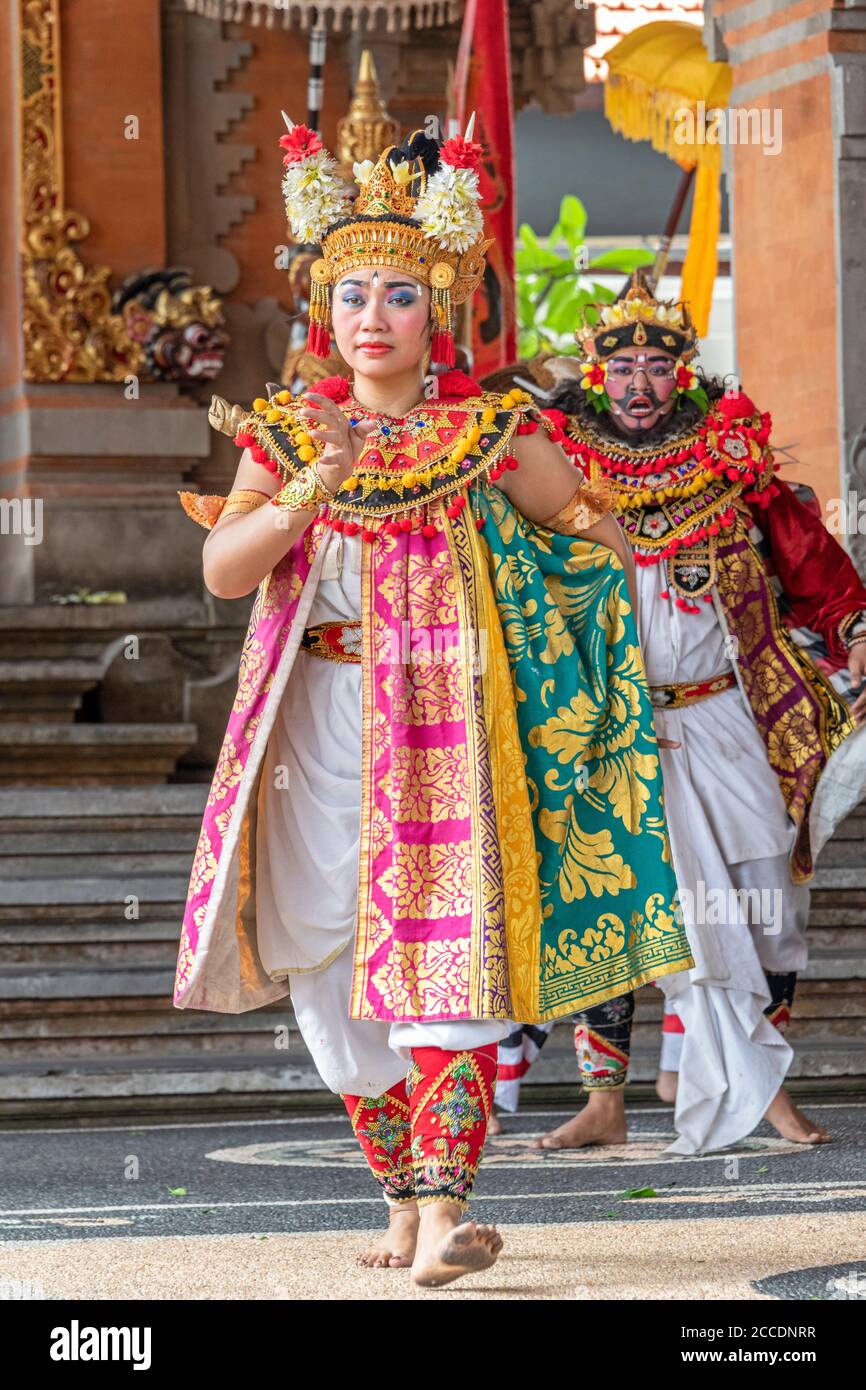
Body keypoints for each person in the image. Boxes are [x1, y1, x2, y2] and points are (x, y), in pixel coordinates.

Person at [173, 127, 692, 1286]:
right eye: (351, 293)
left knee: (446, 959)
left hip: (445, 730)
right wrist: (319, 474)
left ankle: (442, 1214)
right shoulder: (286, 432)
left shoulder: (489, 432)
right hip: (313, 726)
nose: (374, 315)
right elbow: (226, 571)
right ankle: (403, 1200)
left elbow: (581, 528)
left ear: (435, 308)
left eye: (399, 294)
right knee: (320, 965)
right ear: (325, 309)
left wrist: (625, 611)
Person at [496, 274, 866, 1154]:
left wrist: (858, 635)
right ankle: (606, 1102)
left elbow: (820, 578)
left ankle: (760, 1074)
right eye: (619, 366)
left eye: (655, 368)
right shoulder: (555, 467)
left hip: (733, 719)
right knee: (614, 907)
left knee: (771, 906)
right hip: (607, 730)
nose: (637, 386)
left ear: (683, 375)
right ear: (593, 371)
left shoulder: (733, 465)